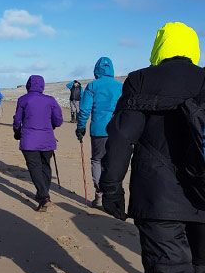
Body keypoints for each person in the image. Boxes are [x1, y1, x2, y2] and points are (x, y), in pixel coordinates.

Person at [100, 22, 205, 273]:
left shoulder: (142, 79)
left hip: (158, 198)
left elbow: (122, 136)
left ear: (159, 46)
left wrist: (111, 188)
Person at [75, 57, 123, 209]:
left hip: (99, 129)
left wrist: (80, 127)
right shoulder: (120, 86)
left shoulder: (93, 86)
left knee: (97, 160)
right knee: (113, 162)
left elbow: (84, 110)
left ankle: (100, 194)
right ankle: (112, 194)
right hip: (118, 129)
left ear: (96, 70)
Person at [13, 75, 63, 212]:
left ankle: (43, 196)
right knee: (45, 166)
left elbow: (17, 120)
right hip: (47, 139)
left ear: (28, 85)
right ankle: (43, 194)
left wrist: (16, 132)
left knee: (35, 167)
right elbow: (58, 121)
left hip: (29, 140)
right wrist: (49, 124)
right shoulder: (50, 100)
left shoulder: (23, 99)